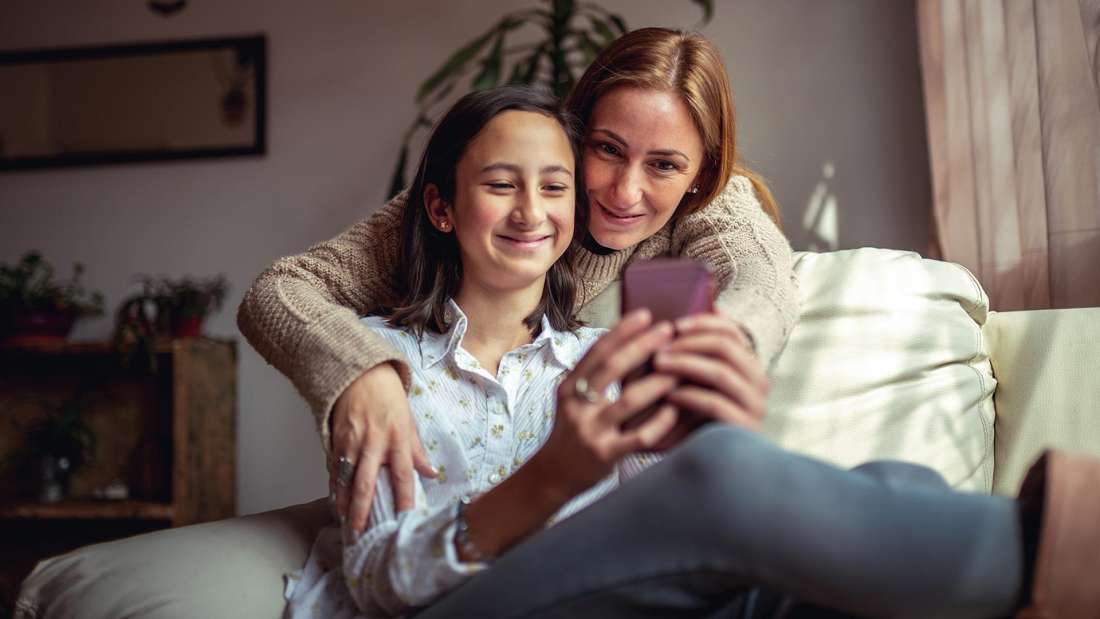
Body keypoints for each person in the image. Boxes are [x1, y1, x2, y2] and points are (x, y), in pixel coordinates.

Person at [281, 86, 1099, 619]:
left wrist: (711, 424)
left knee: (895, 490)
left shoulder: (596, 360)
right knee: (728, 479)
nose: (532, 209)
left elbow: (680, 522)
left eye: (555, 185)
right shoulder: (377, 366)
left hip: (609, 596)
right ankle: (1069, 544)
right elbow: (381, 581)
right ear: (440, 206)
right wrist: (556, 476)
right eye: (501, 183)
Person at [237, 27, 796, 537]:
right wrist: (362, 371)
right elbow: (281, 291)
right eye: (606, 149)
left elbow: (762, 281)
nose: (626, 192)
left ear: (699, 174)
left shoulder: (709, 207)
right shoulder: (484, 202)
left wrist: (727, 349)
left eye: (665, 166)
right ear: (571, 137)